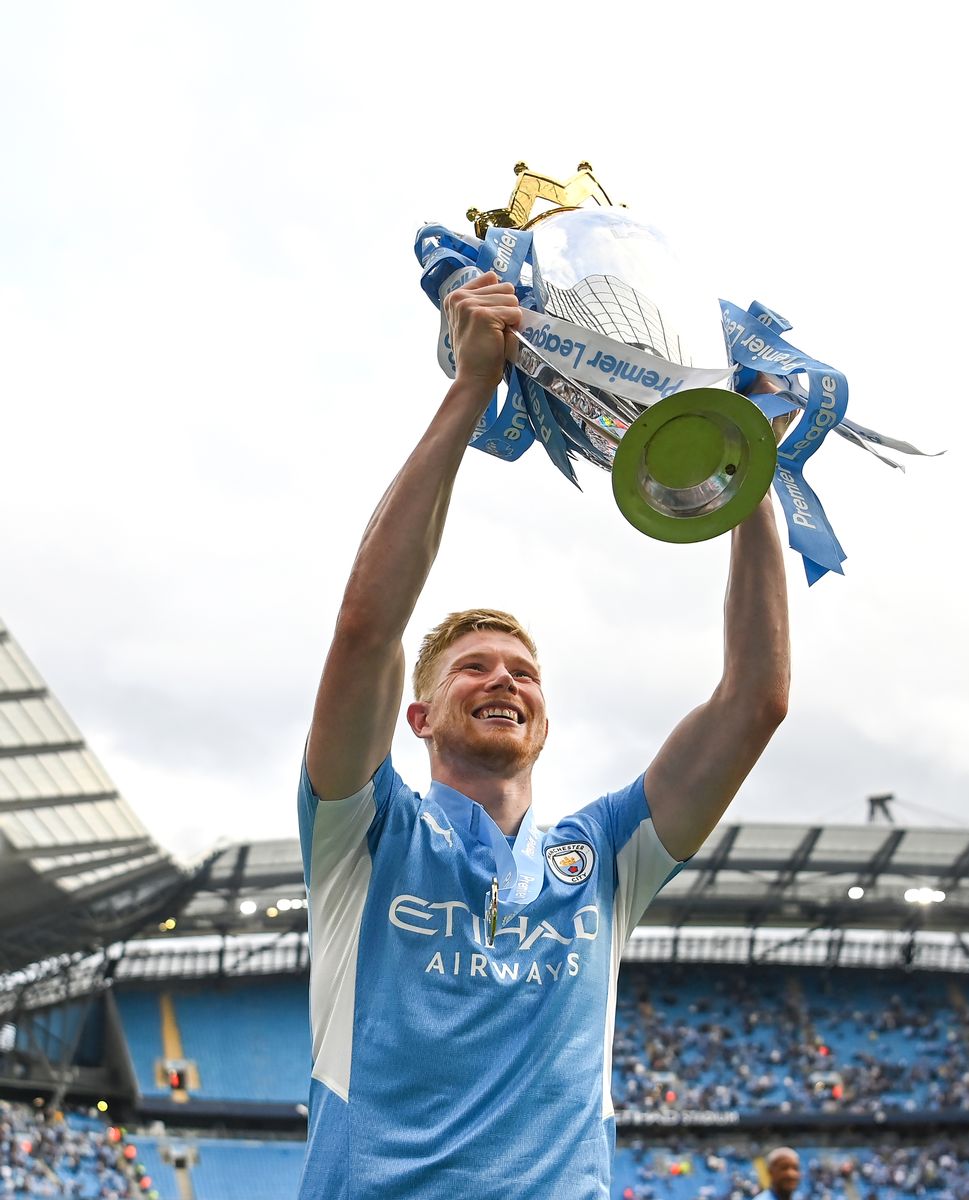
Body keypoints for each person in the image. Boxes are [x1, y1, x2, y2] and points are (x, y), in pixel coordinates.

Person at [297, 271, 791, 1199]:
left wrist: (745, 468)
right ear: (420, 715)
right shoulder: (363, 837)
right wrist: (471, 389)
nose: (503, 681)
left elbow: (754, 701)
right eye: (473, 669)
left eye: (523, 672)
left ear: (543, 719)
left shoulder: (604, 856)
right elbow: (368, 629)